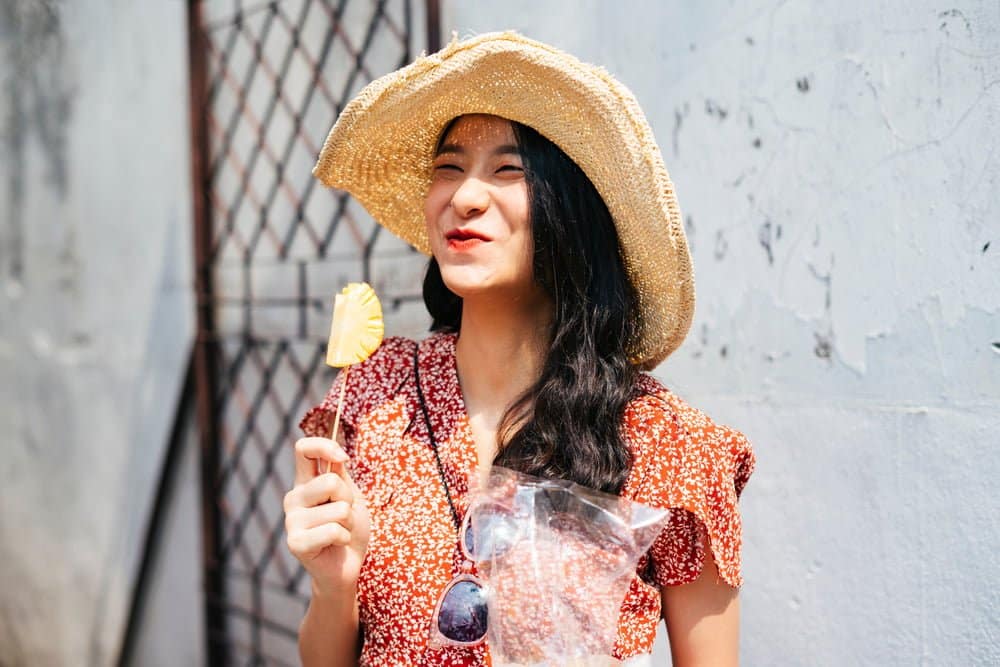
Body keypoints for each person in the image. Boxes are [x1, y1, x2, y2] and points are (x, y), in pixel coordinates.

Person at [283, 32, 755, 666]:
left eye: (509, 170)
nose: (464, 196)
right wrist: (333, 589)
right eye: (448, 168)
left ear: (573, 212)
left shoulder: (668, 445)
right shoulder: (373, 397)